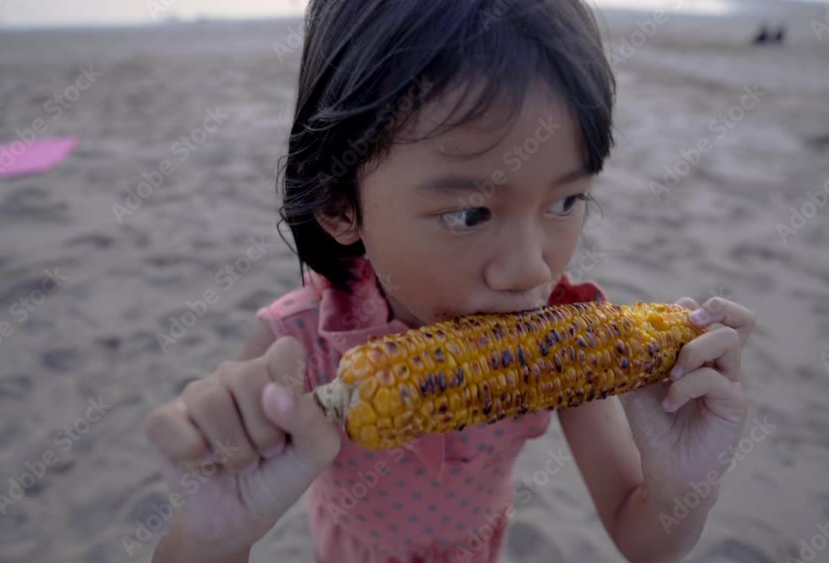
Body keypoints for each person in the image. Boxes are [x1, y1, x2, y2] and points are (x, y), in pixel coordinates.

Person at [143, 1, 757, 562]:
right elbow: (216, 524)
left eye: (567, 201)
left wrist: (684, 481)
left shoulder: (568, 326)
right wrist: (214, 535)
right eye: (469, 213)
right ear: (339, 208)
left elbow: (641, 537)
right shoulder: (295, 345)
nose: (532, 270)